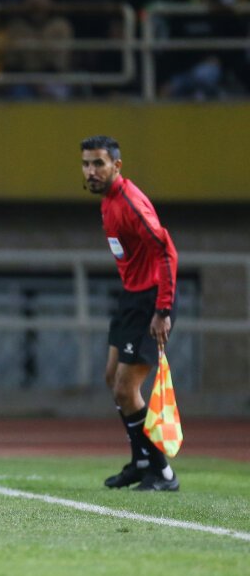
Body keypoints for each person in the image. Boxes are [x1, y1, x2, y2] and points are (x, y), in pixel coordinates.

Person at [81, 136, 180, 492]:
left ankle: (162, 472)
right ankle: (140, 462)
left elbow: (167, 252)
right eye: (86, 164)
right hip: (131, 297)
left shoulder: (130, 203)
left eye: (98, 164)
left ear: (116, 166)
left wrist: (163, 310)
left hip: (151, 301)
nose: (91, 171)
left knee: (127, 387)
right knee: (113, 378)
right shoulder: (108, 201)